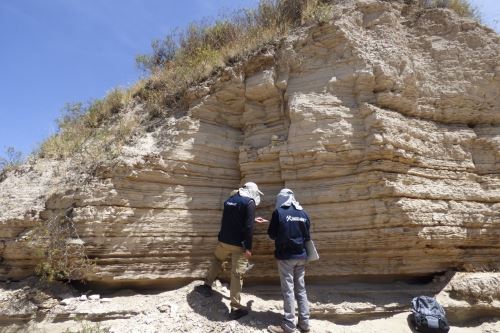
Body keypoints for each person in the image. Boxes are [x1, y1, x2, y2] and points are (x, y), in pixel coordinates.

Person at [195, 182, 267, 320]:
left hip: (224, 240)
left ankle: (206, 286)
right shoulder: (249, 202)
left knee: (217, 260)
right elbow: (248, 228)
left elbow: (232, 219)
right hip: (239, 245)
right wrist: (248, 248)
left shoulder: (230, 200)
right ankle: (235, 308)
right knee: (236, 275)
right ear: (252, 191)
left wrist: (253, 220)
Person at [267, 189, 311, 333]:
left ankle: (289, 325)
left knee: (288, 290)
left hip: (286, 257)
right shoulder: (303, 213)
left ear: (281, 199)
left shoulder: (278, 212)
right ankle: (304, 324)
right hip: (302, 256)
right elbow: (307, 236)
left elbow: (272, 234)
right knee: (301, 290)